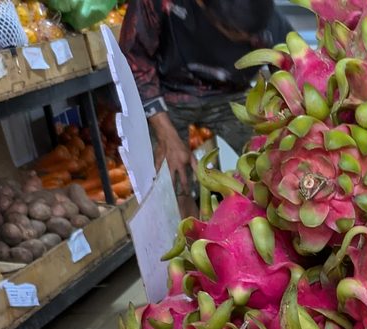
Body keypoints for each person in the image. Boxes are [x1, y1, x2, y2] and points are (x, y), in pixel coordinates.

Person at [121, 0, 291, 207]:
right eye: (235, 32)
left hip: (233, 91)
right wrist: (165, 133)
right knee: (172, 180)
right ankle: (187, 233)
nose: (250, 40)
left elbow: (289, 73)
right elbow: (134, 59)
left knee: (278, 165)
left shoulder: (268, 21)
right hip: (168, 92)